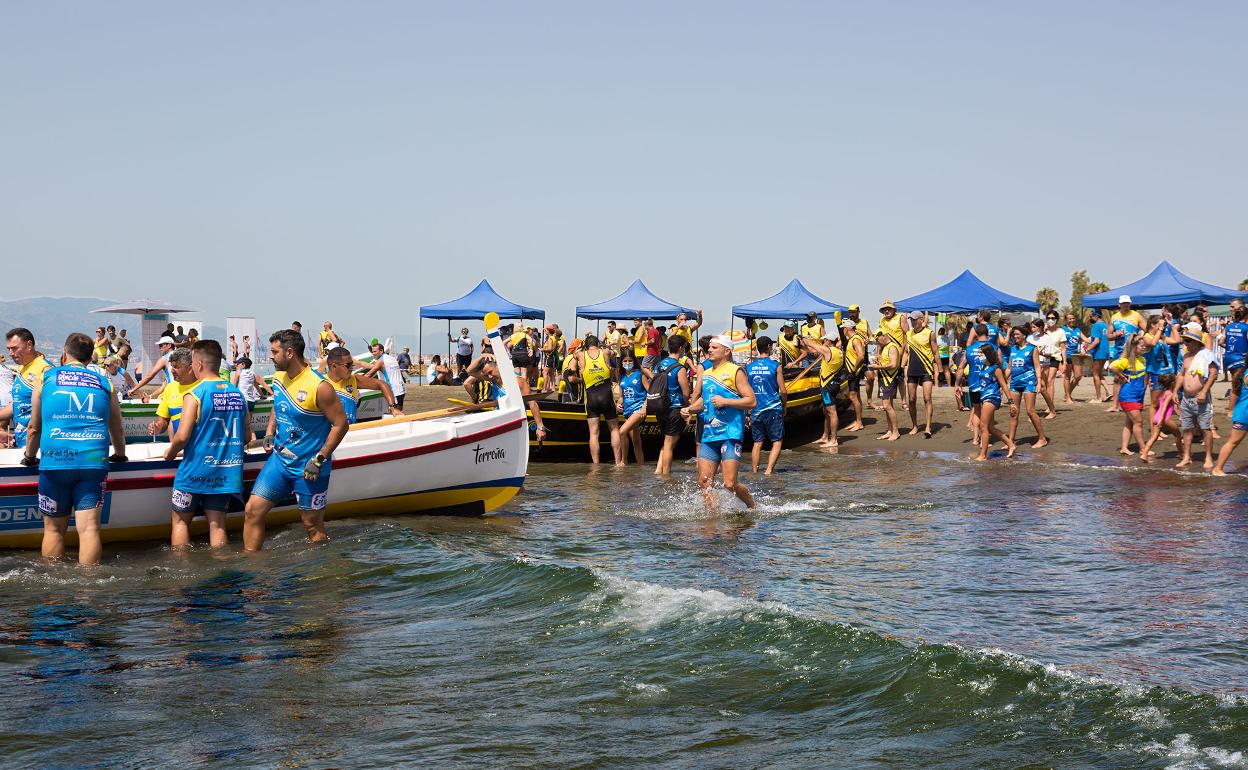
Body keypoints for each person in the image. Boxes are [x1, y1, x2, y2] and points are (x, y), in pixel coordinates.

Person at [21, 332, 127, 564]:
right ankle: (89, 583)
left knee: (53, 530)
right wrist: (120, 455)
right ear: (90, 358)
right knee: (89, 530)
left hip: (55, 462)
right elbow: (117, 427)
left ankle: (53, 582)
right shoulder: (104, 382)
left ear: (64, 353)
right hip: (92, 462)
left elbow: (34, 427)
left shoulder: (46, 378)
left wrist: (29, 456)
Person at [244, 329, 350, 551]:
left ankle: (319, 569)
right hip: (280, 462)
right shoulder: (279, 378)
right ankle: (252, 566)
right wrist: (270, 431)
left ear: (290, 353)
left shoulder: (320, 386)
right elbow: (278, 404)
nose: (270, 356)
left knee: (312, 525)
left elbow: (341, 424)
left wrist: (320, 459)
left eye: (275, 352)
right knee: (252, 511)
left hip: (310, 468)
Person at [164, 340, 247, 549]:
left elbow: (182, 437)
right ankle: (221, 567)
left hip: (194, 472)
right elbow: (246, 436)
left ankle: (181, 566)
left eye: (192, 362)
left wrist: (170, 452)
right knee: (217, 525)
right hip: (225, 473)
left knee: (180, 522)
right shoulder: (238, 394)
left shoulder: (195, 394)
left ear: (199, 364)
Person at [681, 336, 756, 509]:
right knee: (704, 482)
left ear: (727, 351)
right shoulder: (706, 373)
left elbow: (751, 401)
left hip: (730, 434)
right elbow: (705, 400)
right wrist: (690, 409)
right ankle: (711, 518)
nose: (709, 350)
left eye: (714, 347)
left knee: (729, 484)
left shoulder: (736, 371)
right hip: (709, 434)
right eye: (709, 347)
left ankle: (752, 506)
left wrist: (726, 401)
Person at [1175, 323, 1217, 469]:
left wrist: (1204, 391)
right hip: (1186, 398)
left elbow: (1213, 374)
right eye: (1184, 340)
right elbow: (1181, 375)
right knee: (1186, 428)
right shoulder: (1186, 356)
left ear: (1196, 342)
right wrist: (1175, 391)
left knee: (1205, 428)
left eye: (1187, 340)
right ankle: (1187, 456)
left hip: (1201, 398)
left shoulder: (1206, 355)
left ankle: (1209, 457)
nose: (1185, 343)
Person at [0, 329, 51, 450]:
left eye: (14, 348)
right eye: (8, 349)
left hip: (36, 445)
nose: (10, 353)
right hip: (21, 440)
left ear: (29, 345)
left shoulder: (45, 369)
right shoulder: (22, 369)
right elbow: (17, 403)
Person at [574, 334, 621, 465]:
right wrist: (604, 346)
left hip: (591, 398)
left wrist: (582, 348)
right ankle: (618, 463)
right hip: (606, 396)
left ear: (586, 345)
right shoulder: (605, 352)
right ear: (598, 344)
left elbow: (574, 354)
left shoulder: (581, 355)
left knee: (594, 434)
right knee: (614, 429)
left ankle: (596, 465)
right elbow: (614, 352)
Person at [968, 338, 1017, 461]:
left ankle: (983, 455)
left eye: (981, 353)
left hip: (992, 397)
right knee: (990, 428)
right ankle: (1011, 444)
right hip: (984, 397)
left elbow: (1004, 385)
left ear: (987, 354)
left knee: (983, 427)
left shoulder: (996, 368)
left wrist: (1011, 402)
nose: (979, 355)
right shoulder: (984, 366)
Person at [325, 347, 404, 423]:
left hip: (351, 429)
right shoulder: (321, 384)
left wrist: (393, 408)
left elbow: (382, 384)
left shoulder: (353, 380)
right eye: (347, 365)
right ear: (334, 366)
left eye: (352, 365)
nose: (351, 369)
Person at [746, 336, 786, 474]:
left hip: (755, 409)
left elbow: (746, 392)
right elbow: (783, 391)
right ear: (769, 346)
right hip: (773, 407)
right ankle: (768, 470)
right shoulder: (775, 365)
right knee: (777, 441)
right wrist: (785, 406)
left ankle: (754, 471)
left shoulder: (749, 367)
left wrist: (747, 412)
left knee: (757, 442)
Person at [654, 336, 692, 477]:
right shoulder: (679, 368)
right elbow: (686, 393)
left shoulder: (659, 365)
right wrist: (688, 406)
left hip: (660, 407)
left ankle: (658, 470)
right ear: (681, 348)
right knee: (670, 444)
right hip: (674, 409)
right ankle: (666, 476)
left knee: (666, 441)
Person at [1006, 326, 1048, 448]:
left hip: (1029, 382)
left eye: (1017, 334)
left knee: (1030, 411)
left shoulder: (1032, 348)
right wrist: (1001, 381)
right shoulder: (1013, 349)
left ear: (1024, 335)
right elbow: (1009, 368)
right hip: (1015, 383)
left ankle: (1042, 439)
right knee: (1014, 412)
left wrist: (1039, 382)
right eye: (1014, 334)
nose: (1015, 336)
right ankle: (1010, 441)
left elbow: (1037, 366)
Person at [802, 333, 844, 448]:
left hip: (827, 386)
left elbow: (812, 344)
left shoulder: (828, 350)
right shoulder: (838, 351)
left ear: (829, 341)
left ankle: (833, 440)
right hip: (834, 384)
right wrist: (804, 346)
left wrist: (802, 338)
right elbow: (812, 350)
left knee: (832, 412)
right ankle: (825, 436)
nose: (823, 342)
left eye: (824, 340)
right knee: (826, 411)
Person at [1109, 334, 1149, 456]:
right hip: (1128, 396)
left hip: (1138, 396)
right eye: (1141, 346)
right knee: (1138, 422)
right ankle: (1143, 449)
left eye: (1144, 346)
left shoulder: (1142, 359)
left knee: (1129, 422)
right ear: (1134, 346)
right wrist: (1122, 376)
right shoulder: (1126, 360)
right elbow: (1111, 366)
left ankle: (1124, 448)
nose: (1144, 348)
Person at [903, 311, 941, 437]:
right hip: (912, 370)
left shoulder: (930, 333)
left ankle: (928, 427)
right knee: (911, 399)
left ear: (921, 320)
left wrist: (940, 370)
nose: (912, 322)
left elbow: (935, 352)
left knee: (927, 398)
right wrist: (901, 367)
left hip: (926, 370)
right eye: (911, 320)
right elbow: (906, 352)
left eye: (915, 320)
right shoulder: (908, 334)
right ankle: (914, 426)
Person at [148, 349, 198, 439]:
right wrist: (158, 427)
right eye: (171, 366)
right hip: (180, 446)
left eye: (176, 367)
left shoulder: (203, 386)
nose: (172, 371)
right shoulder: (170, 388)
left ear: (190, 368)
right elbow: (163, 420)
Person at [1108, 296, 1146, 410]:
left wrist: (1140, 336)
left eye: (1127, 303)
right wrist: (1116, 335)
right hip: (1119, 351)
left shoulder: (1136, 315)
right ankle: (1114, 405)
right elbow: (1108, 336)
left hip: (1133, 351)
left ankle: (1137, 402)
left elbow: (1147, 329)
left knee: (1136, 376)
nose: (1126, 305)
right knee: (1117, 377)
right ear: (1119, 304)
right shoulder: (1114, 317)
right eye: (1123, 303)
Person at [1212, 364, 1248, 476]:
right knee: (1233, 442)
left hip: (1242, 412)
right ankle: (1217, 468)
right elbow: (1234, 393)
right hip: (1244, 414)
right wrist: (1230, 410)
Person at [617, 351, 649, 465]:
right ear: (621, 363)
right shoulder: (622, 377)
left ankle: (623, 462)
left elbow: (650, 392)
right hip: (628, 411)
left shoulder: (640, 375)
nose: (627, 363)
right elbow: (621, 396)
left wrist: (644, 407)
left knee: (621, 431)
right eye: (625, 361)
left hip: (639, 409)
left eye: (630, 360)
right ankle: (641, 466)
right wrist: (618, 404)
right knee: (636, 442)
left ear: (634, 361)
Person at [869, 330, 901, 441]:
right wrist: (879, 363)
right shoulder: (884, 348)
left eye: (877, 340)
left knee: (887, 406)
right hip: (884, 379)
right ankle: (890, 430)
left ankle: (895, 432)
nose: (877, 343)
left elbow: (893, 365)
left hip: (889, 380)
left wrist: (877, 367)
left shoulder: (892, 347)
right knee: (887, 406)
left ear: (883, 336)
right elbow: (887, 363)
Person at [1219, 299, 1247, 418]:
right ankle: (1231, 411)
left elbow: (1220, 342)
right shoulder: (1246, 327)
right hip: (1240, 359)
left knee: (1237, 384)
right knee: (1237, 386)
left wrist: (1232, 348)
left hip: (1229, 358)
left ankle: (1236, 409)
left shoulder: (1229, 326)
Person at [359, 341, 407, 410]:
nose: (373, 353)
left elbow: (368, 375)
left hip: (393, 390)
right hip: (401, 388)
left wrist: (356, 380)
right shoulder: (391, 358)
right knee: (398, 410)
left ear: (381, 351)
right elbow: (374, 366)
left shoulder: (380, 361)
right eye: (372, 352)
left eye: (375, 352)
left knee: (395, 411)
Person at [1035, 312, 1065, 418]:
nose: (1050, 320)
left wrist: (1064, 362)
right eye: (1048, 318)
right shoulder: (1043, 331)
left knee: (1050, 381)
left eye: (1053, 318)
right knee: (1043, 383)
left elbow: (1063, 348)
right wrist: (1043, 330)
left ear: (1057, 319)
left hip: (1054, 357)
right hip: (1042, 358)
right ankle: (1048, 404)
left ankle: (1050, 407)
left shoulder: (1061, 332)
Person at [840, 319, 868, 432]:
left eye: (843, 329)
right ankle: (857, 420)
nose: (843, 331)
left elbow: (861, 356)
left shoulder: (855, 339)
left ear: (847, 329)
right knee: (856, 396)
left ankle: (859, 422)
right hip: (853, 371)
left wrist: (853, 371)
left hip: (855, 372)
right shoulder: (852, 339)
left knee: (853, 396)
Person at [1061, 313, 1088, 404]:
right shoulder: (1062, 329)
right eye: (1069, 319)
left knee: (1078, 376)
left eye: (1073, 318)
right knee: (1067, 377)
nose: (1072, 320)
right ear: (1066, 320)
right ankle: (1068, 397)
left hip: (1076, 355)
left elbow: (1087, 340)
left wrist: (1085, 349)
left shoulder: (1077, 330)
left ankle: (1067, 393)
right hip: (1067, 355)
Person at [1087, 308, 1111, 403]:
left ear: (1096, 316)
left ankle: (1098, 398)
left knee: (1095, 374)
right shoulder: (1105, 325)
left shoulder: (1096, 325)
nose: (1090, 318)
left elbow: (1096, 341)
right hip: (1105, 352)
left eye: (1091, 316)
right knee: (1099, 373)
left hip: (1098, 352)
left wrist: (1087, 349)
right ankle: (1109, 392)